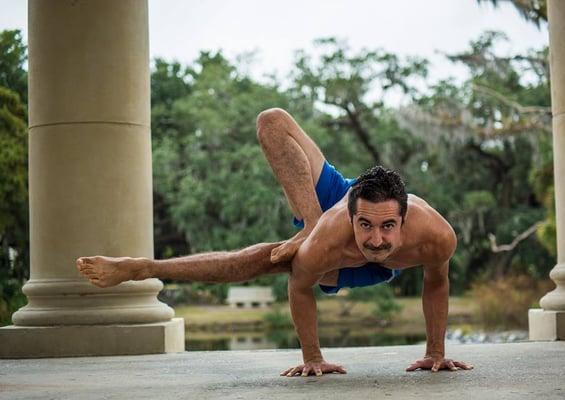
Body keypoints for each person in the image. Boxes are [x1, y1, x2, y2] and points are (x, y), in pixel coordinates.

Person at [77, 108, 474, 376]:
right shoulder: (331, 238)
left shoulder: (436, 237)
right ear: (351, 216)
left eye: (388, 227)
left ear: (404, 219)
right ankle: (309, 223)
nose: (375, 239)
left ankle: (146, 267)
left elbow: (436, 283)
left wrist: (436, 352)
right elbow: (300, 288)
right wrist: (312, 358)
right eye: (365, 225)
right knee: (272, 120)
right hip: (329, 219)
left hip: (363, 253)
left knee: (269, 259)